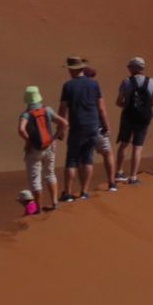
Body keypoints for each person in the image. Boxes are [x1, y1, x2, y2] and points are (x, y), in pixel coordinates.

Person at [58, 55, 115, 200]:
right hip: (92, 126)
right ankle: (84, 191)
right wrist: (106, 126)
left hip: (76, 127)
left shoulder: (68, 85)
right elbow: (101, 108)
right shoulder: (94, 84)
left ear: (72, 69)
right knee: (87, 158)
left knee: (72, 160)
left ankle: (68, 193)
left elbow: (62, 110)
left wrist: (60, 129)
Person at [16, 85, 65, 212]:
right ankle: (55, 203)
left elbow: (21, 129)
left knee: (35, 179)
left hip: (34, 150)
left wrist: (28, 140)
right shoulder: (47, 110)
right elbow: (64, 123)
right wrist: (54, 138)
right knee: (50, 174)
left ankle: (39, 209)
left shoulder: (26, 114)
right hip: (49, 147)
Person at [113, 57, 153, 185]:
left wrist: (128, 107)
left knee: (124, 144)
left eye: (130, 66)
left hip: (128, 116)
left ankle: (119, 172)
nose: (128, 68)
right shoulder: (152, 82)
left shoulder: (126, 82)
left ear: (135, 68)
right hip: (144, 117)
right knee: (137, 147)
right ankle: (133, 177)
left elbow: (118, 102)